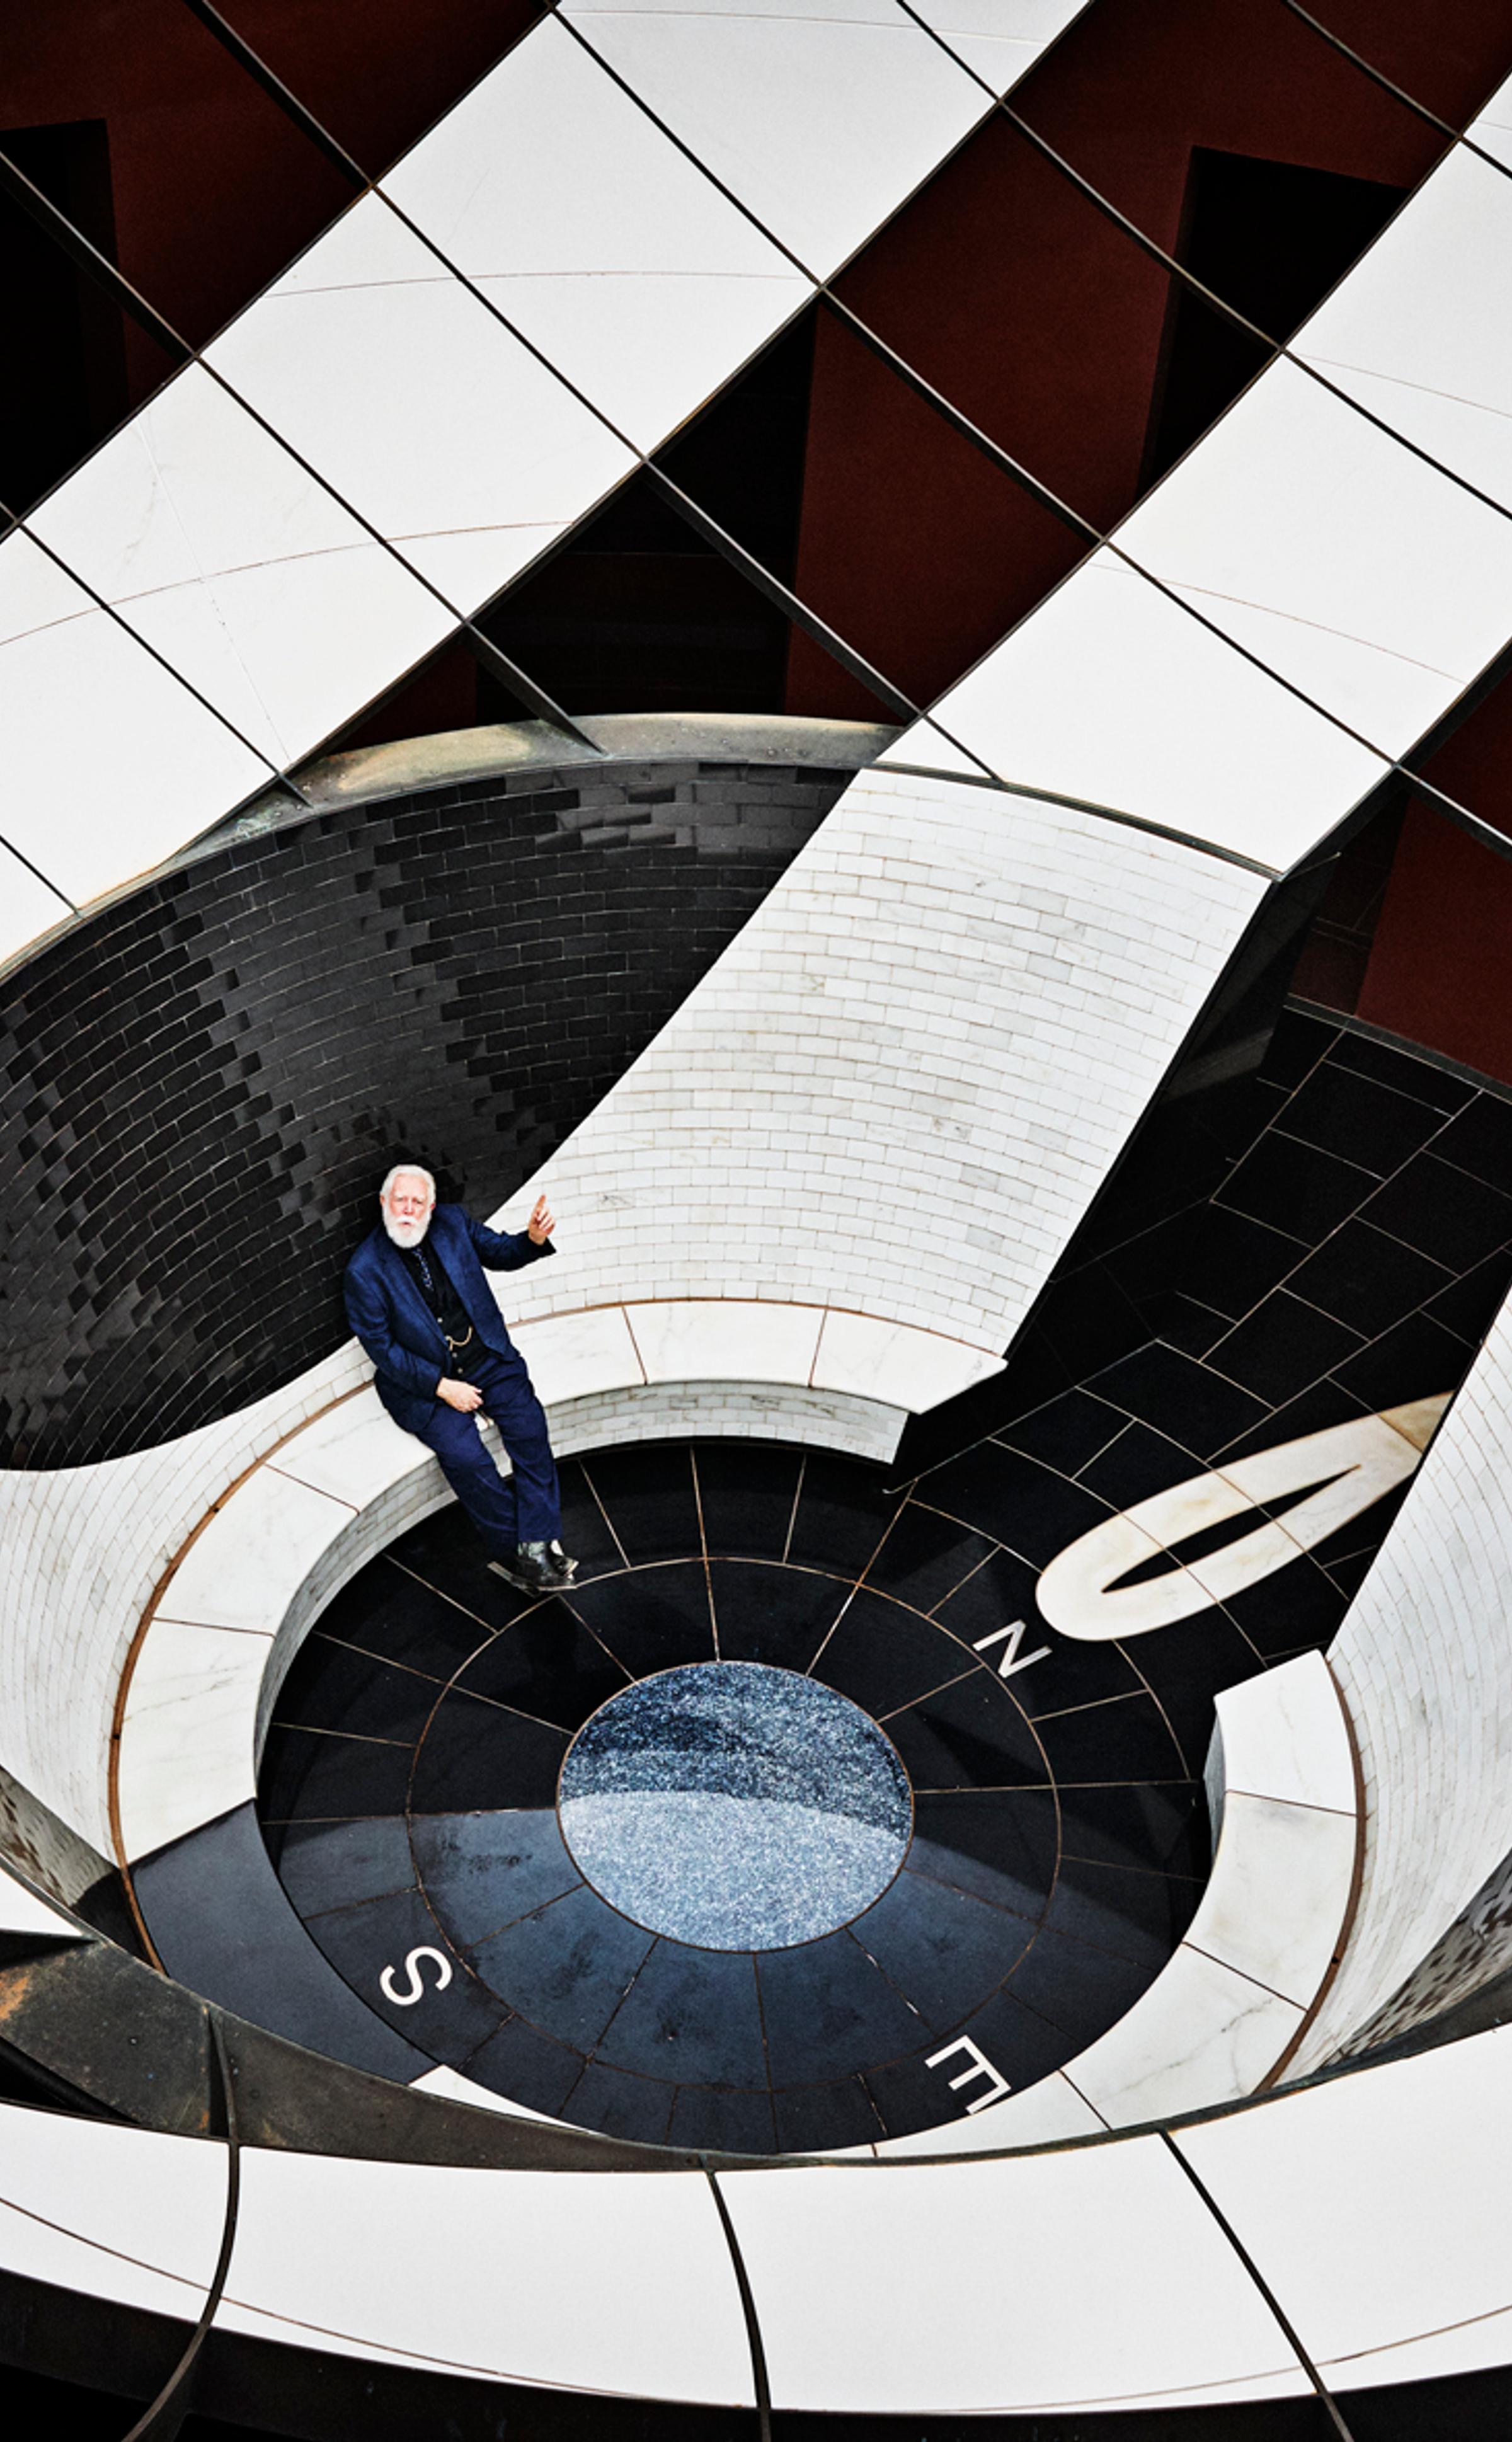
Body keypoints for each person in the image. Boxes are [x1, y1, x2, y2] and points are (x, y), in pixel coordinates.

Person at [343, 1163, 576, 1594]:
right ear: (383, 1203)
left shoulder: (452, 1222)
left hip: (483, 1355)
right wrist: (441, 1387)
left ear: (430, 1206)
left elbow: (501, 1253)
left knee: (529, 1426)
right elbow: (382, 1350)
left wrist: (533, 1240)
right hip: (424, 1384)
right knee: (467, 1459)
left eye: (417, 1202)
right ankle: (516, 1548)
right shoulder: (365, 1270)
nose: (408, 1210)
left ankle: (537, 1545)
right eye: (400, 1201)